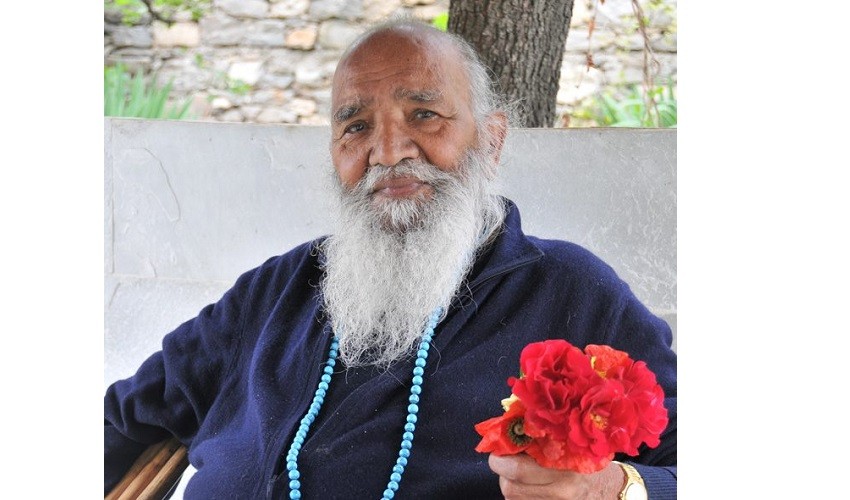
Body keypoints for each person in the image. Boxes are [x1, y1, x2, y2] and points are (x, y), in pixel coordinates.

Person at [104, 19, 677, 499]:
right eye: (356, 127)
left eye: (424, 115)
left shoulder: (571, 291)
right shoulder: (275, 290)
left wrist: (613, 488)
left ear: (492, 140)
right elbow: (121, 420)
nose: (388, 152)